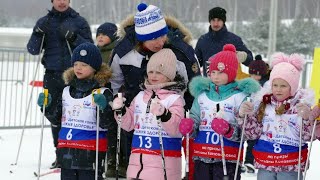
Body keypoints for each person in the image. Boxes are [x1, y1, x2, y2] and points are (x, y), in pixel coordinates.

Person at [109, 2, 200, 173]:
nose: (159, 42)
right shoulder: (124, 51)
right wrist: (118, 102)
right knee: (138, 164)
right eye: (152, 38)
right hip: (137, 118)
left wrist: (189, 114)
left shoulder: (181, 51)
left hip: (170, 116)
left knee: (165, 165)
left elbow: (195, 86)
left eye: (161, 36)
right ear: (141, 37)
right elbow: (114, 83)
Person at [27, 0, 93, 169]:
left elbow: (90, 49)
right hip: (52, 75)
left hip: (74, 75)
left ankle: (76, 152)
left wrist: (73, 37)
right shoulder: (44, 22)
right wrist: (37, 33)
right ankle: (60, 153)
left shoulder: (79, 21)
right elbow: (33, 49)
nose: (62, 2)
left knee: (74, 115)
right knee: (53, 114)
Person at [37, 42, 114, 180]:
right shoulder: (66, 90)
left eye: (84, 65)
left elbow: (107, 124)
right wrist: (46, 107)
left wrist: (103, 108)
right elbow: (56, 119)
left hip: (91, 154)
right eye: (76, 64)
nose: (78, 68)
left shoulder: (102, 92)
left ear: (94, 68)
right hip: (67, 153)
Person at [110, 48, 186, 180]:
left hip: (163, 168)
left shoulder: (174, 99)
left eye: (159, 72)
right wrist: (120, 110)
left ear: (170, 75)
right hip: (136, 165)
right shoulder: (140, 96)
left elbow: (176, 129)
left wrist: (164, 115)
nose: (153, 76)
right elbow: (129, 124)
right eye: (150, 72)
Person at [188, 44, 260, 180]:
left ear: (231, 73)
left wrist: (228, 130)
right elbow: (195, 119)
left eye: (221, 72)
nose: (215, 76)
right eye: (213, 72)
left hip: (228, 160)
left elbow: (246, 132)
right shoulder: (202, 95)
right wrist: (190, 126)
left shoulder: (240, 96)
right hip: (202, 156)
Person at [238, 52, 315, 180]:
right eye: (275, 85)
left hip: (290, 165)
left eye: (283, 86)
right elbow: (252, 133)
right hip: (266, 163)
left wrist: (307, 119)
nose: (278, 89)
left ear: (293, 86)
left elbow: (307, 136)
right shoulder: (263, 103)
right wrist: (244, 116)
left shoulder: (301, 105)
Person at [195, 6, 253, 77]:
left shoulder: (234, 39)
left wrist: (244, 57)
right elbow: (195, 64)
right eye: (213, 20)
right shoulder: (203, 40)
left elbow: (250, 61)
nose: (216, 24)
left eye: (219, 20)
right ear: (210, 21)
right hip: (209, 85)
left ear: (223, 21)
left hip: (230, 86)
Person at [242, 54, 269, 173]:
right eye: (252, 74)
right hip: (248, 115)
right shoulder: (247, 84)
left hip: (260, 116)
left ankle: (251, 161)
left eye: (258, 74)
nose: (255, 77)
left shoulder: (266, 85)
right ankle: (243, 161)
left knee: (254, 141)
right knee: (246, 139)